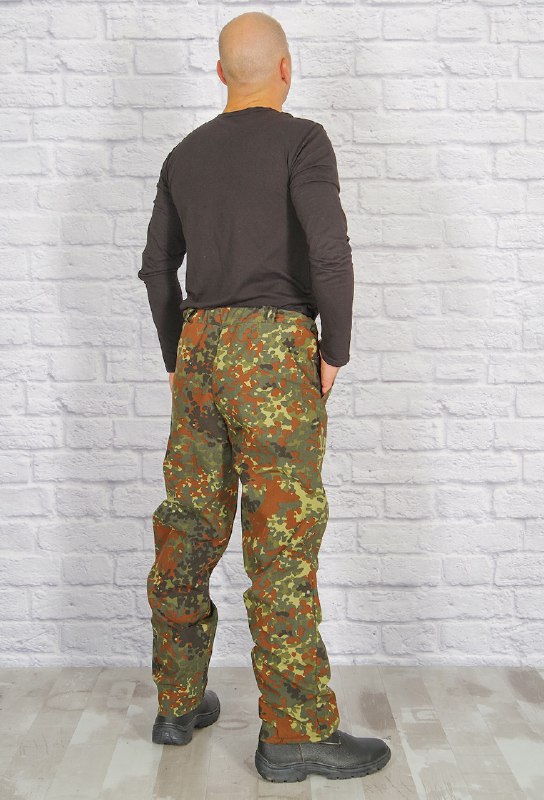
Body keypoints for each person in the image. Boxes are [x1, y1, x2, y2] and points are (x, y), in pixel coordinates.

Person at [138, 10, 391, 783]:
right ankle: (294, 733)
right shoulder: (302, 140)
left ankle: (178, 702)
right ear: (285, 69)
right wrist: (334, 349)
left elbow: (157, 268)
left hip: (201, 345)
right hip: (276, 349)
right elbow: (329, 248)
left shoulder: (184, 154)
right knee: (280, 538)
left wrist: (177, 357)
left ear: (221, 73)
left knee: (189, 522)